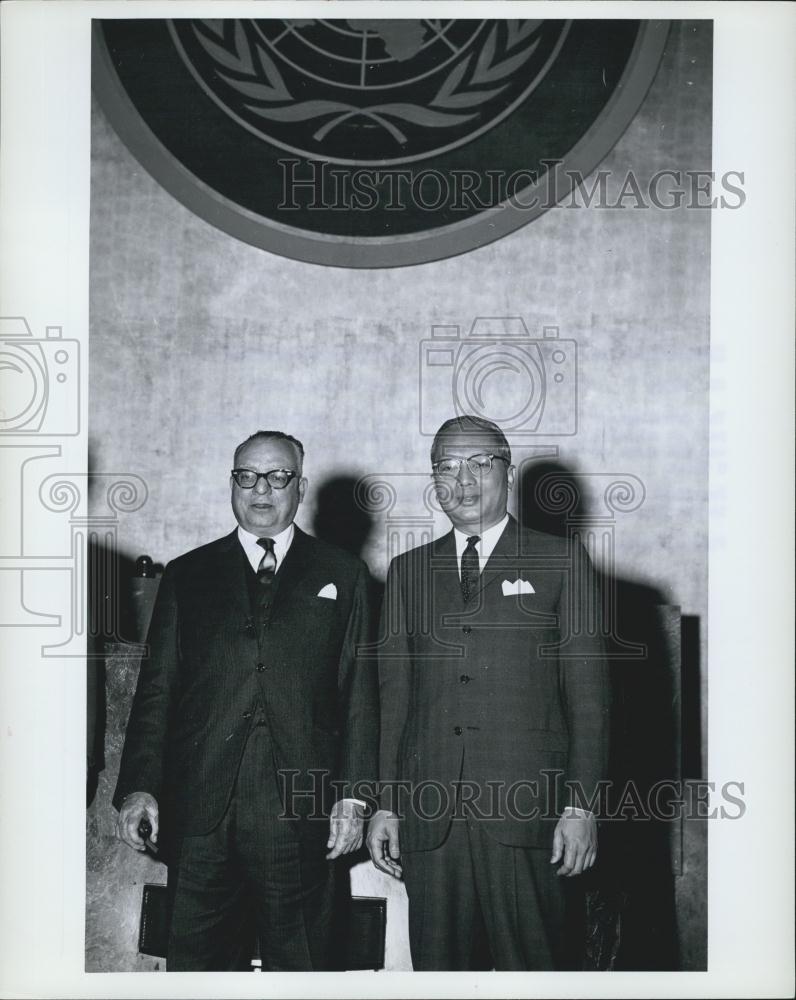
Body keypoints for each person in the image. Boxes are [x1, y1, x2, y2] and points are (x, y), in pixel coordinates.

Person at [114, 430, 378, 971]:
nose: (262, 489)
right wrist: (139, 785)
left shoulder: (343, 575)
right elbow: (157, 689)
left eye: (278, 476)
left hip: (301, 815)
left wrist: (354, 798)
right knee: (197, 967)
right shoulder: (188, 574)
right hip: (202, 814)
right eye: (247, 476)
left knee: (305, 966)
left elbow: (360, 696)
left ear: (300, 487)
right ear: (232, 484)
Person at [367, 415, 611, 970]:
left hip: (530, 818)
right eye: (447, 467)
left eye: (480, 463)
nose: (465, 479)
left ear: (509, 471)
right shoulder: (406, 573)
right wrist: (386, 803)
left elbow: (591, 699)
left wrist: (581, 806)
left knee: (537, 971)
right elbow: (393, 701)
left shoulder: (560, 560)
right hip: (432, 822)